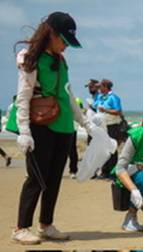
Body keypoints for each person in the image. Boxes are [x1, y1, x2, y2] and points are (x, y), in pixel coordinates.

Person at [10, 11, 94, 245]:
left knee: (55, 179)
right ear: (51, 34)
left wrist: (85, 122)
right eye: (64, 41)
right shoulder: (31, 58)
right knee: (37, 178)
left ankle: (46, 225)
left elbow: (68, 95)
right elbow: (23, 97)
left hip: (64, 127)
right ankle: (20, 228)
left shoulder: (60, 60)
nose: (66, 46)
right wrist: (24, 131)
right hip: (40, 126)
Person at [93, 78, 123, 178]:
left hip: (112, 126)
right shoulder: (101, 97)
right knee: (103, 149)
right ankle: (104, 171)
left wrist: (105, 110)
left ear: (106, 87)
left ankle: (112, 172)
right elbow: (95, 106)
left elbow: (118, 111)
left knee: (112, 148)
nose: (99, 88)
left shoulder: (113, 97)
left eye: (101, 86)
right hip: (102, 126)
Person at [67, 97, 85, 179]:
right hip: (63, 126)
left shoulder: (77, 100)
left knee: (72, 150)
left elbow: (81, 111)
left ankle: (73, 170)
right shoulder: (63, 99)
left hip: (72, 128)